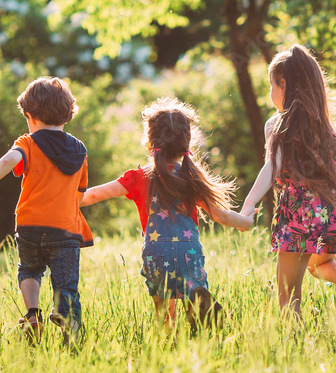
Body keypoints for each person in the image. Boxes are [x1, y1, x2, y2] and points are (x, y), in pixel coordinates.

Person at [80, 97, 251, 331]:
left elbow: (91, 196)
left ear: (149, 142)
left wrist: (61, 198)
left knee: (164, 311)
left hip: (156, 255)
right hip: (189, 252)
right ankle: (196, 304)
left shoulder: (137, 177)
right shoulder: (192, 177)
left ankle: (168, 338)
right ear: (186, 142)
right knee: (191, 286)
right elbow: (221, 216)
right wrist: (246, 222)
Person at [239, 45, 336, 323]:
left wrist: (248, 206)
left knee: (288, 294)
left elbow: (271, 167)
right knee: (321, 264)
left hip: (296, 215)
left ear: (283, 84)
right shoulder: (325, 127)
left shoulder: (277, 125)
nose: (271, 93)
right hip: (331, 214)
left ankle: (294, 345)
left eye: (271, 85)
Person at [0, 77, 93, 345]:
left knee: (29, 268)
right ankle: (67, 318)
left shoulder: (28, 142)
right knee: (66, 282)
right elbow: (80, 194)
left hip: (29, 226)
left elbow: (9, 160)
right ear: (68, 113)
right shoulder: (80, 150)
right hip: (65, 229)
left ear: (31, 116)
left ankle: (32, 314)